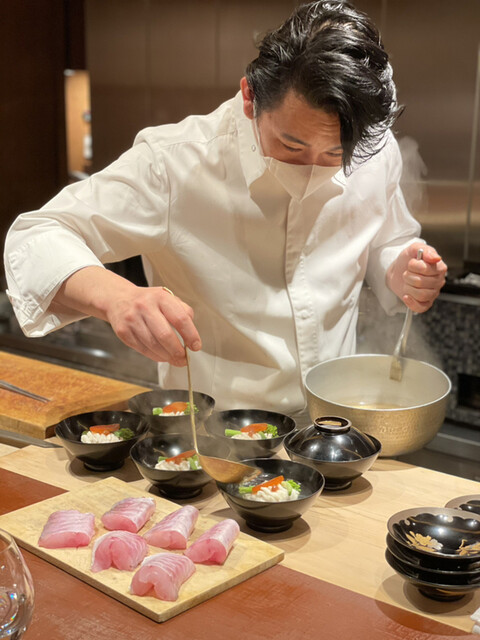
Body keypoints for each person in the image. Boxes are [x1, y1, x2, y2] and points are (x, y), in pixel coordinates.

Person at [4, 1, 446, 427]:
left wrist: (400, 267)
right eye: (292, 145)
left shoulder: (373, 149)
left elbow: (387, 238)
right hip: (214, 434)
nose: (313, 167)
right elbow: (37, 235)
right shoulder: (175, 162)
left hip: (332, 425)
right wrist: (117, 297)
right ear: (250, 97)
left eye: (335, 154)